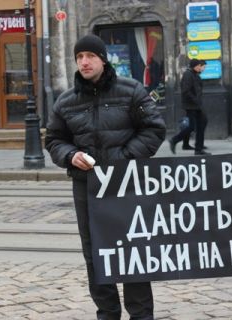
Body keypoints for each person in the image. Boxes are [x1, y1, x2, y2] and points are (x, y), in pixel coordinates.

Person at [45, 34, 166, 320]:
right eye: (79, 57)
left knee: (132, 251)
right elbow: (54, 139)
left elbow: (154, 129)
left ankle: (141, 315)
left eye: (90, 56)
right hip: (87, 188)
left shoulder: (131, 90)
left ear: (103, 59)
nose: (84, 62)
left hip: (126, 185)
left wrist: (121, 161)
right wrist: (70, 155)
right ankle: (107, 314)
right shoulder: (65, 101)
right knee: (96, 254)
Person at [169, 58, 210, 155]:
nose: (201, 68)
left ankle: (198, 149)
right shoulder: (188, 75)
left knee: (202, 123)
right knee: (192, 127)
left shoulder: (195, 75)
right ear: (195, 66)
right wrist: (195, 100)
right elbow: (185, 91)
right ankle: (174, 140)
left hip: (196, 105)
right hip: (191, 106)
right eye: (200, 66)